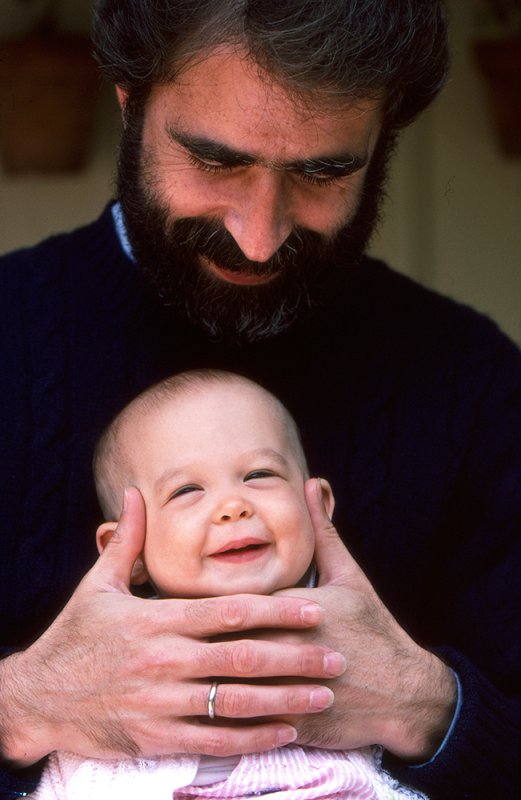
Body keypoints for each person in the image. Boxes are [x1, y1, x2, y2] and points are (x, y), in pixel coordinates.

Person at [0, 2, 518, 799]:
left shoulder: (473, 380)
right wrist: (20, 707)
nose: (258, 236)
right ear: (129, 100)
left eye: (322, 172)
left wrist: (427, 707)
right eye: (215, 161)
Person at [31, 368, 429, 800]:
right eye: (186, 490)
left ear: (319, 503)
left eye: (259, 474)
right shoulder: (98, 681)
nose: (232, 506)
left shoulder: (370, 654)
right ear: (129, 550)